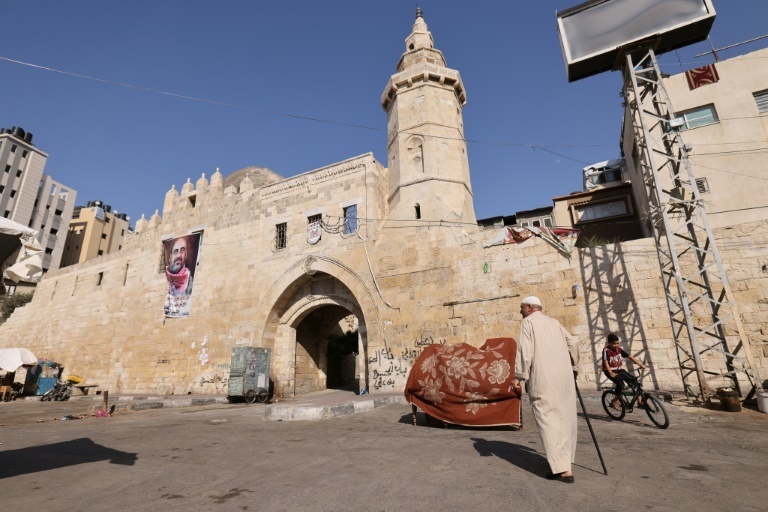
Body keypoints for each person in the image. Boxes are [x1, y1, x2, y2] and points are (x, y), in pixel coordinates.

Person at [511, 296, 580, 483]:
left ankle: (562, 470)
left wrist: (519, 377)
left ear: (530, 308)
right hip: (564, 378)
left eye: (522, 308)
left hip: (544, 378)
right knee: (565, 419)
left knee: (548, 419)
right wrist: (574, 368)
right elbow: (573, 343)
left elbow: (525, 351)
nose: (520, 311)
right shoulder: (554, 322)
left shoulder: (528, 323)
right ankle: (566, 464)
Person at [603, 333, 647, 408]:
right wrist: (610, 373)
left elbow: (630, 356)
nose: (616, 345)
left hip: (619, 370)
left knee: (634, 381)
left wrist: (640, 364)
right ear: (609, 343)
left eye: (617, 343)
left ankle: (639, 402)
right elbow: (606, 361)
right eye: (613, 344)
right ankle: (615, 401)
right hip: (609, 371)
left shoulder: (619, 350)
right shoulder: (606, 350)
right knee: (620, 384)